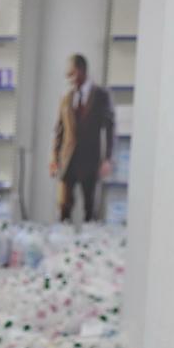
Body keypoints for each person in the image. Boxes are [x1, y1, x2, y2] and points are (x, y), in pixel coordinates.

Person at [51, 53, 115, 222]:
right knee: (64, 207)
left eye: (71, 74)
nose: (69, 78)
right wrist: (54, 159)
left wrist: (107, 158)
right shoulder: (66, 97)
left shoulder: (101, 95)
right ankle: (63, 241)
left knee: (90, 209)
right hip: (67, 161)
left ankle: (88, 243)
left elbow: (109, 128)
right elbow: (59, 131)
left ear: (81, 71)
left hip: (90, 160)